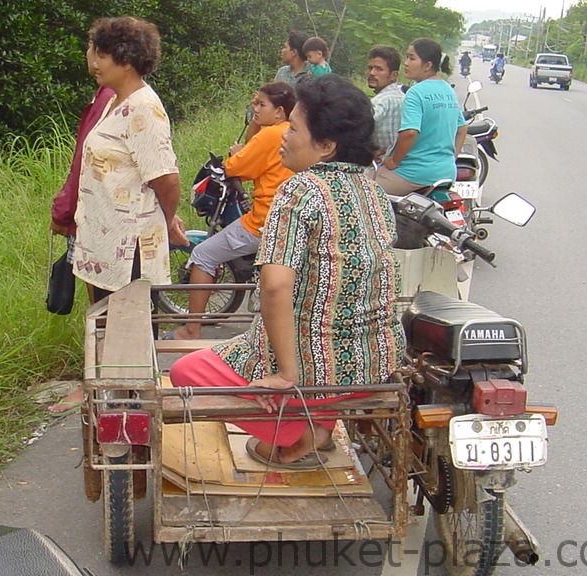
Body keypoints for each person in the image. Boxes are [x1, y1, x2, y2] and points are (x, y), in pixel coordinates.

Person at [169, 74, 404, 470]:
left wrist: (286, 373)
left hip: (315, 368)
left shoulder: (300, 189)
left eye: (293, 128)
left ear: (326, 146)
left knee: (185, 370)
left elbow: (275, 285)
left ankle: (297, 435)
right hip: (375, 361)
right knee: (265, 346)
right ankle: (319, 423)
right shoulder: (375, 191)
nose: (283, 136)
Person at [164, 82, 296, 341]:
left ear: (279, 111)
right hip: (286, 219)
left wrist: (237, 152)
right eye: (254, 103)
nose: (254, 109)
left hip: (263, 221)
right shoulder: (292, 132)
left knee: (203, 254)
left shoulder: (270, 135)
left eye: (261, 104)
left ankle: (192, 329)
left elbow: (235, 167)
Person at [72, 16, 187, 303]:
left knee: (129, 338)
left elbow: (166, 179)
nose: (94, 63)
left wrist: (167, 220)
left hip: (130, 252)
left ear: (127, 61)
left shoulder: (143, 109)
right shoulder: (115, 101)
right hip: (106, 244)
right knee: (108, 332)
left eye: (102, 55)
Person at [46, 44, 116, 414]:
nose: (90, 58)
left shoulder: (110, 98)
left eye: (92, 49)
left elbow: (82, 162)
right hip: (111, 224)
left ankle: (95, 387)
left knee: (101, 308)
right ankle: (102, 384)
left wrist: (63, 210)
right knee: (111, 309)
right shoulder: (121, 98)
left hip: (103, 225)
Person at [373, 38, 467, 197]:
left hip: (413, 175)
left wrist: (394, 161)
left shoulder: (416, 92)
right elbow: (462, 129)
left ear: (428, 65)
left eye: (411, 58)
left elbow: (410, 132)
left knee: (363, 191)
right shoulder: (448, 90)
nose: (406, 63)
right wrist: (451, 159)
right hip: (447, 173)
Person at [366, 45, 404, 161]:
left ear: (393, 75)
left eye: (379, 69)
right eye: (370, 68)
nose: (372, 73)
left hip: (381, 165)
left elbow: (358, 127)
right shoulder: (405, 98)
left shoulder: (380, 102)